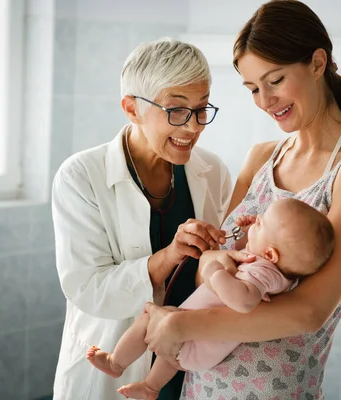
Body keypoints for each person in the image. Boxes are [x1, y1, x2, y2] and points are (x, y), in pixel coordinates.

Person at [139, 1, 341, 399]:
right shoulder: (261, 158)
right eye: (253, 88)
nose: (265, 101)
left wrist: (183, 325)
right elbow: (209, 265)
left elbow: (309, 312)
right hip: (203, 384)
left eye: (275, 80)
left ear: (317, 63)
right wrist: (213, 261)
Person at [51, 38, 247, 400]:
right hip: (110, 370)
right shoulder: (81, 176)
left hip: (188, 362)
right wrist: (168, 256)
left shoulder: (212, 171)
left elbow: (213, 271)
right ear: (132, 108)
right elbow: (86, 288)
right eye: (176, 110)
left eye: (202, 109)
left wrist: (240, 243)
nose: (193, 127)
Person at [86, 198, 335, 399]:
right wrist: (247, 234)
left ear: (270, 253)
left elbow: (243, 301)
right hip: (198, 338)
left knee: (148, 318)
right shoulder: (269, 267)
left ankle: (115, 363)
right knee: (169, 355)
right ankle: (150, 388)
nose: (256, 220)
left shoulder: (263, 272)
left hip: (200, 339)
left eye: (261, 225)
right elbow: (242, 259)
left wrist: (214, 272)